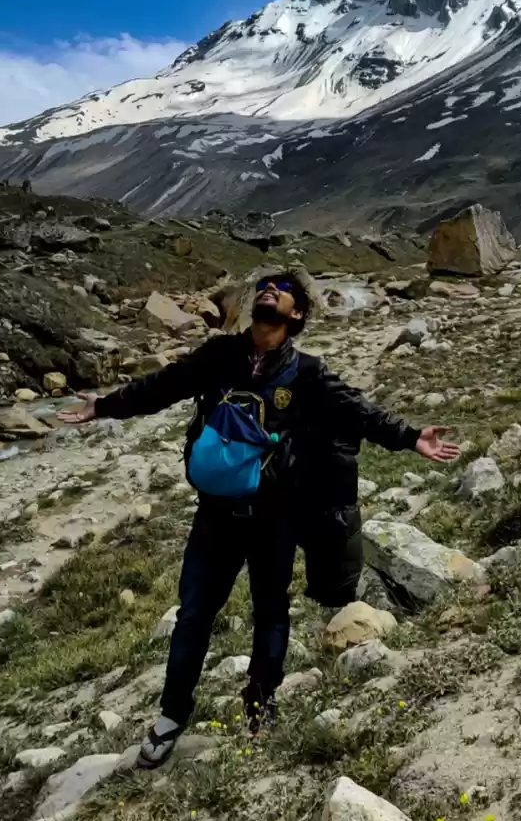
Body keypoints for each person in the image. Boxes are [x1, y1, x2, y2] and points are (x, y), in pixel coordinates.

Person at [56, 269, 459, 768]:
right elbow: (163, 385)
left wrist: (411, 435)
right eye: (266, 286)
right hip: (215, 516)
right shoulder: (219, 355)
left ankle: (260, 701)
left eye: (284, 290)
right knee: (193, 616)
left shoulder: (307, 373)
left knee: (270, 614)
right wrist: (105, 406)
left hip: (275, 518)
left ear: (297, 315)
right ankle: (171, 717)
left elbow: (359, 411)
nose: (271, 290)